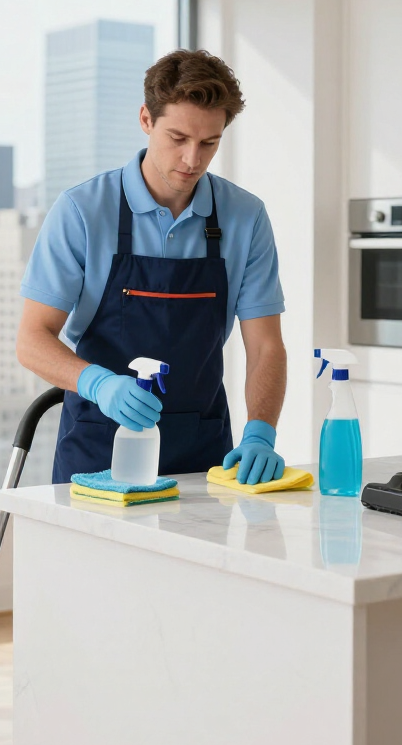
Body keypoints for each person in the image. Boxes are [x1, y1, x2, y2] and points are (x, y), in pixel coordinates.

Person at [16, 49, 287, 485]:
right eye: (178, 138)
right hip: (99, 451)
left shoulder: (245, 216)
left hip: (204, 456)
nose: (192, 159)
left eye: (209, 143)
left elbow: (266, 347)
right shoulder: (82, 210)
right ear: (146, 120)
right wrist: (98, 384)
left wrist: (261, 432)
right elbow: (32, 339)